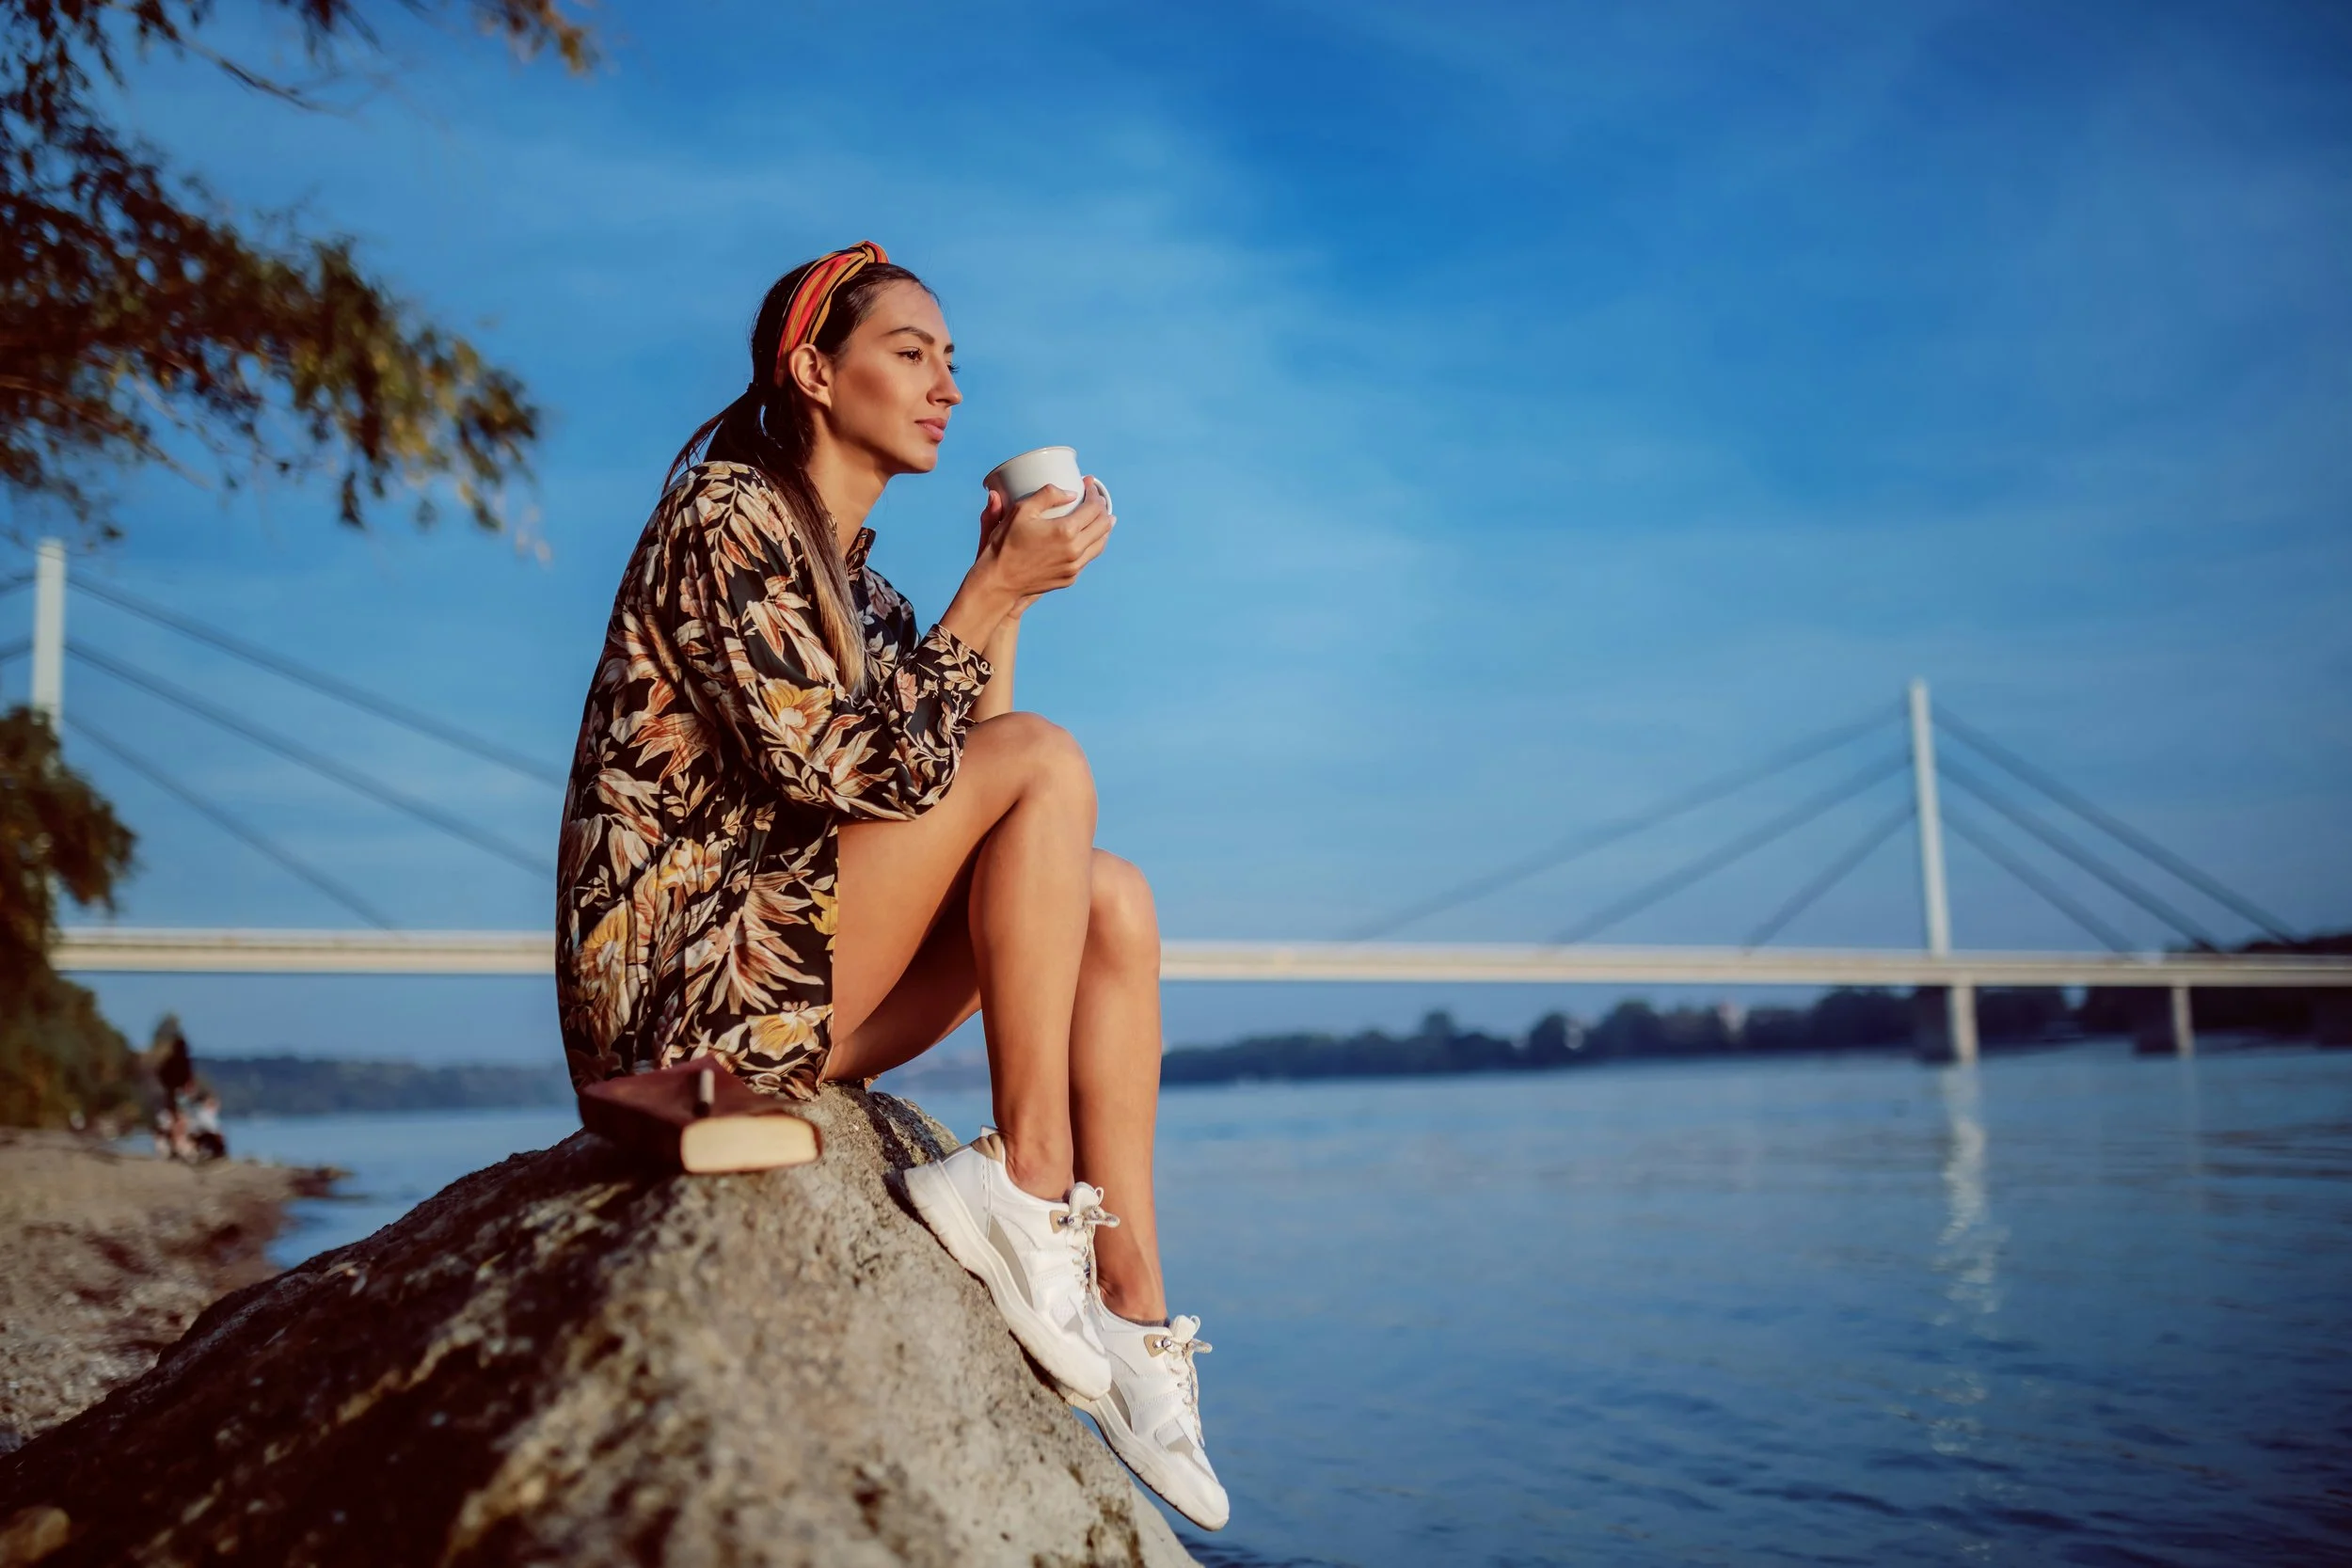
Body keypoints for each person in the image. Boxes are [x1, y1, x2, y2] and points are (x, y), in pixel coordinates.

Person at [555, 242, 1226, 1529]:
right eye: (910, 353)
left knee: (1111, 895)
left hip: (800, 975)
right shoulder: (727, 514)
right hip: (687, 1003)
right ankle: (1025, 1189)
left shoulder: (862, 583)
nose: (947, 388)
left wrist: (1004, 601)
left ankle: (1132, 1304)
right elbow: (834, 770)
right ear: (814, 370)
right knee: (1049, 764)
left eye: (951, 363)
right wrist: (987, 591)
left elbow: (977, 797)